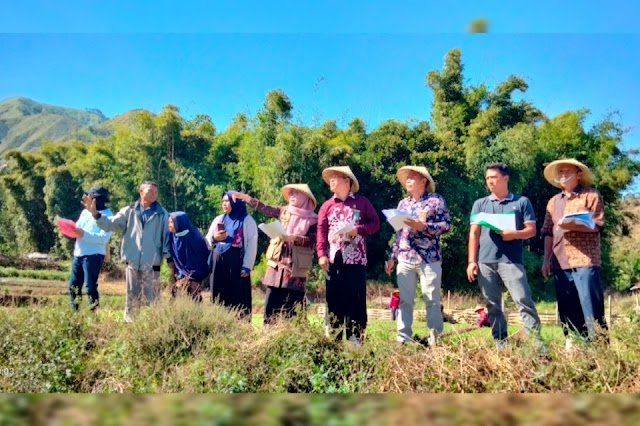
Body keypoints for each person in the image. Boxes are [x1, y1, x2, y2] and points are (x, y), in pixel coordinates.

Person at [467, 163, 545, 350]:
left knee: (523, 300)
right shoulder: (480, 204)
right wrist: (471, 261)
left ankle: (537, 344)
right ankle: (500, 344)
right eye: (487, 178)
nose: (490, 181)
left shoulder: (521, 202)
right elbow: (474, 233)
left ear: (505, 178)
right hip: (485, 261)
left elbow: (531, 230)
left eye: (493, 177)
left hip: (511, 261)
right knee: (492, 305)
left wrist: (514, 234)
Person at [541, 158, 607, 349]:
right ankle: (573, 346)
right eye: (560, 172)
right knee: (567, 306)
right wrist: (546, 260)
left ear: (578, 174)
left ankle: (599, 349)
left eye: (567, 171)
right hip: (560, 261)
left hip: (585, 259)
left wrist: (574, 224)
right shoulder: (553, 202)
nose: (563, 175)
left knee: (591, 307)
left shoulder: (591, 196)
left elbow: (597, 225)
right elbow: (547, 231)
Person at [84, 181, 172, 322]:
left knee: (154, 299)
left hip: (152, 264)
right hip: (132, 262)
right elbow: (111, 224)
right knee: (131, 298)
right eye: (150, 191)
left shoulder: (162, 214)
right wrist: (96, 214)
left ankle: (156, 326)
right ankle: (130, 326)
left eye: (156, 192)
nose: (154, 194)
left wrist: (169, 259)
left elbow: (167, 238)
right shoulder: (129, 211)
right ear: (141, 192)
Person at [385, 166, 451, 346]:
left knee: (432, 300)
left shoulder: (436, 200)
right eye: (406, 178)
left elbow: (446, 225)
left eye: (412, 177)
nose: (408, 180)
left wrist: (425, 227)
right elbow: (398, 232)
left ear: (424, 180)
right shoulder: (402, 204)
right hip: (405, 257)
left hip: (429, 258)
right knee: (405, 301)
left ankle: (435, 340)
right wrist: (392, 256)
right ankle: (403, 338)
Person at [233, 184, 317, 324]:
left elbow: (313, 240)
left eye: (296, 194)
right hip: (276, 265)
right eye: (290, 194)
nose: (292, 196)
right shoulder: (283, 211)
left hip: (296, 268)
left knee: (295, 306)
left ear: (305, 197)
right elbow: (265, 208)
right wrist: (247, 198)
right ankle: (269, 334)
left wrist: (295, 238)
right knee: (271, 301)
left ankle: (296, 336)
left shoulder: (314, 219)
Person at [316, 166, 380, 346]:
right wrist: (321, 254)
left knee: (356, 299)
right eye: (330, 178)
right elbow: (321, 231)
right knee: (334, 299)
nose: (331, 181)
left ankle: (355, 343)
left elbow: (375, 223)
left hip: (356, 259)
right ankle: (333, 342)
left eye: (335, 177)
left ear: (347, 181)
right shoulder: (327, 206)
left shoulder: (362, 202)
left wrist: (358, 229)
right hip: (333, 259)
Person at [205, 191, 258, 320]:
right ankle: (219, 323)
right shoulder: (219, 219)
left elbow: (252, 244)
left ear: (236, 203)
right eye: (223, 201)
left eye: (227, 201)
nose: (224, 204)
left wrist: (247, 266)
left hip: (236, 262)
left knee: (238, 294)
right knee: (218, 294)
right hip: (219, 261)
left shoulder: (247, 220)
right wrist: (214, 238)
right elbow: (206, 240)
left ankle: (241, 325)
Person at [68, 186, 113, 311]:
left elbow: (103, 239)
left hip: (94, 255)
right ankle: (74, 313)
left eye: (91, 197)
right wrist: (71, 229)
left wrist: (84, 234)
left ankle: (93, 313)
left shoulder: (108, 216)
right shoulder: (85, 212)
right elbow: (78, 228)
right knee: (73, 286)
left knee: (90, 286)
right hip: (79, 253)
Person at [167, 211, 210, 303]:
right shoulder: (172, 235)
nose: (169, 225)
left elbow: (200, 260)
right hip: (180, 273)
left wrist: (194, 278)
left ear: (180, 223)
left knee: (194, 298)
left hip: (195, 274)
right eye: (169, 222)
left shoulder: (194, 238)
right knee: (176, 297)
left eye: (172, 222)